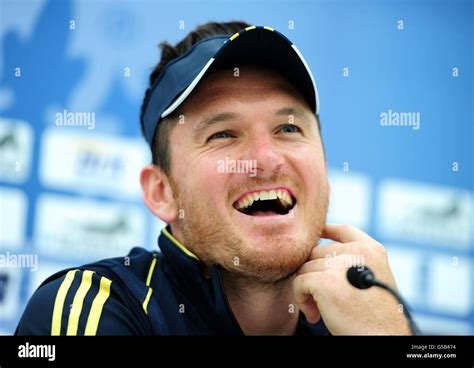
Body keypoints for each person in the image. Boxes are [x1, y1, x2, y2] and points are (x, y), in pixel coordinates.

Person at [16, 21, 410, 335]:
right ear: (162, 192)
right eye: (222, 134)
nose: (266, 159)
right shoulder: (92, 308)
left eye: (288, 129)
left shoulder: (362, 321)